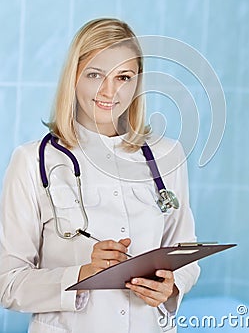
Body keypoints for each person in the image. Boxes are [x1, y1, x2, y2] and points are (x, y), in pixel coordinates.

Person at [0, 18, 200, 333]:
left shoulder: (167, 156)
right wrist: (81, 274)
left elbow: (184, 252)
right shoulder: (31, 161)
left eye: (124, 77)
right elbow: (8, 284)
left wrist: (172, 287)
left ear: (138, 82)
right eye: (95, 75)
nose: (110, 91)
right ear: (74, 77)